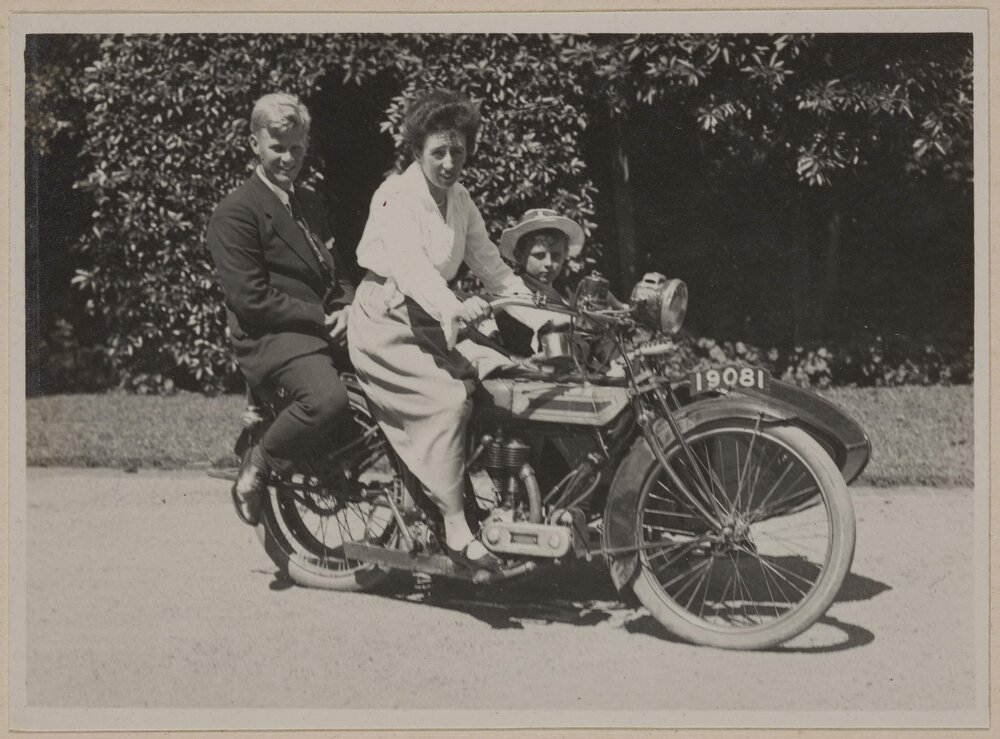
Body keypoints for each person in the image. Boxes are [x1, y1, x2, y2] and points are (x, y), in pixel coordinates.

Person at [347, 89, 547, 573]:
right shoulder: (396, 195)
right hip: (386, 319)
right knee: (449, 399)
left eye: (458, 150)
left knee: (513, 380)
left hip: (434, 318)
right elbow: (412, 269)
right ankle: (456, 527)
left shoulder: (460, 200)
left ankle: (501, 502)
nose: (449, 161)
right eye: (438, 151)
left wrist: (545, 320)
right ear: (417, 151)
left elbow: (495, 271)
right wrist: (455, 307)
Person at [207, 92, 355, 527]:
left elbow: (337, 269)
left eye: (297, 148)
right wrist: (320, 317)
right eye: (278, 147)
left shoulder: (310, 202)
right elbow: (251, 299)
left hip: (321, 325)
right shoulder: (236, 212)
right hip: (272, 335)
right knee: (327, 399)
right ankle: (258, 464)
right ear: (255, 144)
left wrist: (346, 305)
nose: (288, 158)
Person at [495, 208, 585, 356]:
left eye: (556, 255)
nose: (549, 263)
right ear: (519, 256)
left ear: (565, 254)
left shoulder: (569, 293)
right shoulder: (512, 295)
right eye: (539, 255)